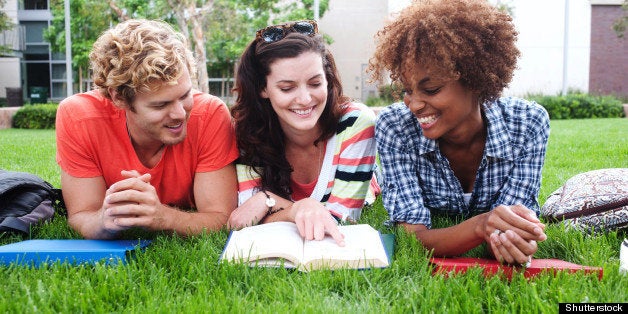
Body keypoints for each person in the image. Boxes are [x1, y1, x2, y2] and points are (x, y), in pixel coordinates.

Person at [368, 0, 549, 264]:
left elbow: (511, 227)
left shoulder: (527, 124)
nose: (414, 104)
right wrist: (480, 226)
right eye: (408, 90)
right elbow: (411, 236)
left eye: (431, 90)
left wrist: (511, 237)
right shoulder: (395, 126)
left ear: (475, 81)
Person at [55, 19, 239, 239]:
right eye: (160, 105)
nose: (180, 113)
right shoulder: (79, 117)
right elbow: (81, 215)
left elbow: (221, 217)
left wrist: (164, 218)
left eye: (184, 95)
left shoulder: (210, 114)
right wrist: (105, 219)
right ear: (119, 98)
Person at [228, 20, 377, 245]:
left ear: (327, 80)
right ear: (263, 89)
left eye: (315, 83)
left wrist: (269, 202)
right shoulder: (248, 130)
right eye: (287, 88)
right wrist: (298, 209)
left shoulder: (355, 122)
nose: (305, 99)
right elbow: (248, 216)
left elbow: (342, 218)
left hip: (362, 179)